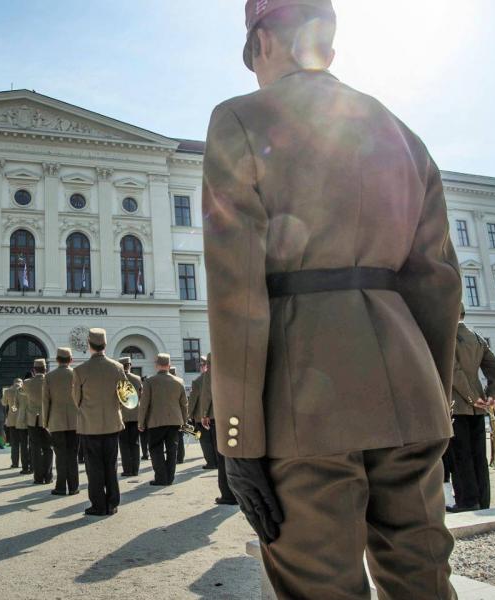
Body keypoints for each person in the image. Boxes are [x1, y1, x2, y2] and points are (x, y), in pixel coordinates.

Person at [202, 2, 462, 596]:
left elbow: (235, 286)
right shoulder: (402, 133)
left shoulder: (240, 118)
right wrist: (429, 398)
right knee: (423, 578)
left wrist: (239, 438)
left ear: (263, 42)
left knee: (320, 586)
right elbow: (438, 281)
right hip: (409, 387)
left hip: (304, 393)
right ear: (328, 47)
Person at [447, 308, 495, 512]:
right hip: (479, 408)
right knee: (478, 455)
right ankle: (483, 499)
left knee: (461, 456)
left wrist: (472, 397)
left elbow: (453, 371)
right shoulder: (477, 338)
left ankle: (468, 501)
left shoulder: (448, 337)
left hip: (459, 405)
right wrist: (492, 394)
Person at [73, 328, 129, 516]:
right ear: (105, 344)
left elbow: (76, 399)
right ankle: (112, 503)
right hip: (112, 424)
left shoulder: (80, 370)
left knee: (94, 468)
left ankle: (98, 504)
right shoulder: (118, 368)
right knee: (111, 466)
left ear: (89, 345)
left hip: (90, 426)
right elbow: (125, 397)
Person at [138, 354, 189, 486]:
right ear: (169, 364)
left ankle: (161, 478)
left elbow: (144, 404)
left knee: (156, 450)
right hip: (175, 421)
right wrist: (184, 421)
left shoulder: (149, 382)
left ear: (156, 365)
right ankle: (170, 477)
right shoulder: (179, 381)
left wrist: (141, 422)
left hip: (155, 422)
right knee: (172, 450)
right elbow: (184, 404)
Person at [197, 354, 236, 504]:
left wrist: (205, 414)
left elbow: (207, 392)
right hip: (240, 413)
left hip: (219, 415)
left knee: (223, 456)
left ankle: (228, 494)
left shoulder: (214, 357)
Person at [44, 347, 80, 496]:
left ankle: (60, 487)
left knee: (60, 455)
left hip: (56, 421)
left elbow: (45, 401)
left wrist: (45, 422)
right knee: (73, 455)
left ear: (57, 360)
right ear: (71, 360)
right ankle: (74, 487)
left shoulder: (49, 377)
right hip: (75, 421)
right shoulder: (77, 375)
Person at [23, 358, 54, 485]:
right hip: (47, 418)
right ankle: (48, 476)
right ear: (45, 369)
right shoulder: (50, 381)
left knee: (35, 448)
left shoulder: (27, 382)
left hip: (32, 419)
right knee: (48, 448)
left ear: (34, 370)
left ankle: (38, 477)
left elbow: (24, 394)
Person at [117, 357, 143, 477]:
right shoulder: (137, 379)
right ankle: (135, 469)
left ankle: (127, 469)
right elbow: (141, 396)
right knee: (135, 443)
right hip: (135, 415)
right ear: (130, 365)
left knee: (124, 444)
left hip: (122, 416)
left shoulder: (118, 379)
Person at [190, 356, 216, 469]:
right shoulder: (216, 377)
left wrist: (189, 414)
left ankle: (211, 462)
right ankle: (218, 462)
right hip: (216, 415)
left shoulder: (197, 381)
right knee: (215, 441)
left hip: (201, 416)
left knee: (205, 441)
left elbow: (193, 400)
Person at [13, 379, 32, 474]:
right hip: (32, 418)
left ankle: (25, 467)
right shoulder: (32, 389)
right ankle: (32, 466)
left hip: (21, 419)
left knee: (23, 445)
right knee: (33, 443)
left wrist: (13, 412)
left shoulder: (19, 391)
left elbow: (14, 405)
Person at [2, 384, 20, 467]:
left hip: (12, 420)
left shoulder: (8, 391)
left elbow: (3, 403)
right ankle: (27, 464)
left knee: (14, 443)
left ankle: (15, 463)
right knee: (25, 443)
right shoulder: (24, 389)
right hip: (24, 420)